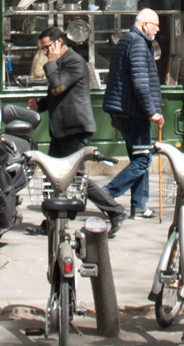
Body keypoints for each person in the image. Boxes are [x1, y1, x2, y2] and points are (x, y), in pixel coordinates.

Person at [32, 26, 127, 236]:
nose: (45, 53)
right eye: (43, 50)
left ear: (59, 43)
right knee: (52, 176)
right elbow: (59, 95)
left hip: (75, 128)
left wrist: (50, 62)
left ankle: (116, 211)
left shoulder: (74, 62)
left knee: (77, 178)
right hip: (61, 128)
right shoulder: (60, 62)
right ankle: (52, 220)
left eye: (47, 48)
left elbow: (58, 86)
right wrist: (41, 104)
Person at [102, 9, 163, 219]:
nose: (158, 29)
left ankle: (139, 206)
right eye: (156, 25)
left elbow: (121, 79)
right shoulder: (137, 43)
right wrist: (152, 112)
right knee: (143, 160)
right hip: (134, 114)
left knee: (139, 157)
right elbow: (140, 83)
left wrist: (116, 115)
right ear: (145, 24)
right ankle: (107, 194)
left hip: (125, 112)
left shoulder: (128, 41)